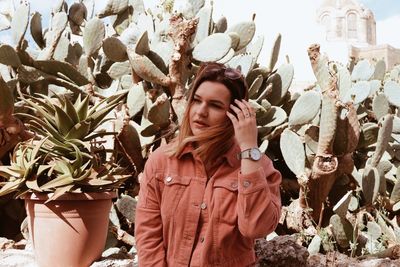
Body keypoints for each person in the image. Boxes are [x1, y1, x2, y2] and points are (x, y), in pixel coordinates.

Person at [135, 62, 282, 267]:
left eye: (215, 105)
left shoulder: (259, 167)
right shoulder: (162, 161)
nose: (201, 112)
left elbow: (255, 228)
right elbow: (148, 236)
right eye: (196, 100)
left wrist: (249, 147)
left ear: (235, 114)